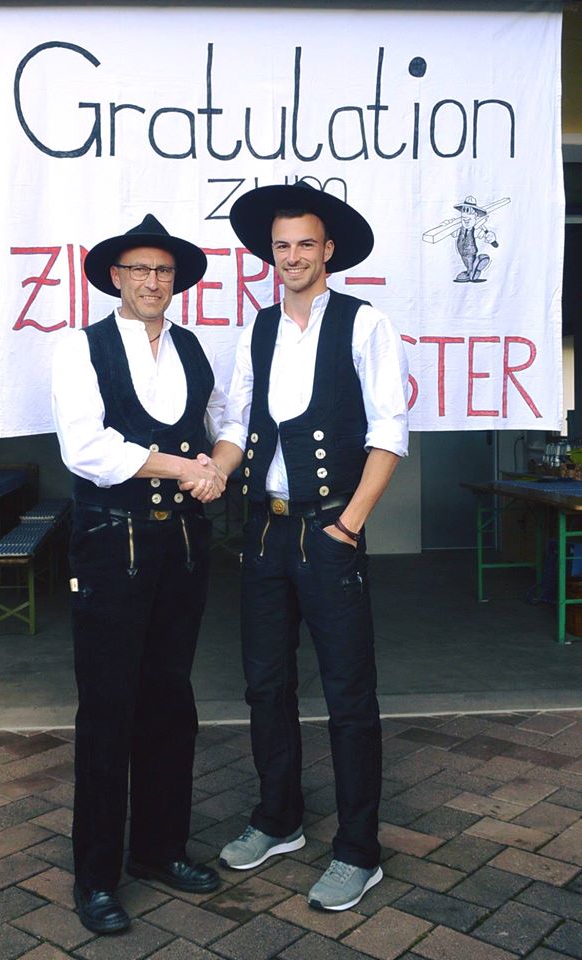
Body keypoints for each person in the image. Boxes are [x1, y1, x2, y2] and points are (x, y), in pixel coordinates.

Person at [191, 182, 409, 912]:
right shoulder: (257, 327)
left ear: (328, 250)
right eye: (280, 246)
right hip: (262, 530)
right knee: (265, 684)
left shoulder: (363, 323)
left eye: (304, 245)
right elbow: (238, 417)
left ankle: (358, 850)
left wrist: (347, 525)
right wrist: (216, 470)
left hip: (327, 529)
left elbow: (388, 434)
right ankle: (278, 819)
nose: (291, 257)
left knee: (348, 694)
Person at [52, 214, 227, 934]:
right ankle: (95, 876)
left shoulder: (190, 345)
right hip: (110, 544)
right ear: (115, 278)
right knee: (106, 710)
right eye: (139, 270)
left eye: (164, 271)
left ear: (174, 281)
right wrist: (183, 467)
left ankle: (159, 850)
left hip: (180, 546)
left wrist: (218, 462)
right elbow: (86, 448)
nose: (152, 282)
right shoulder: (80, 348)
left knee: (169, 701)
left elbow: (218, 416)